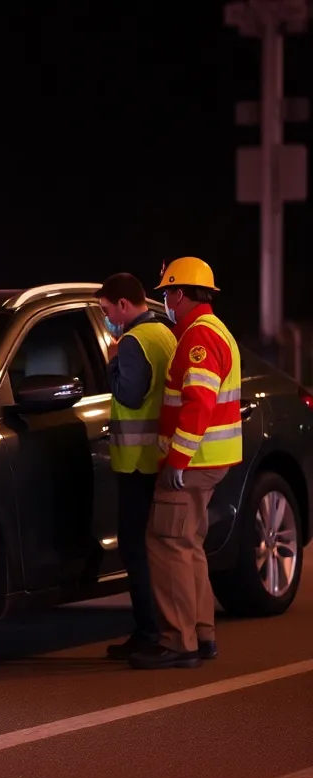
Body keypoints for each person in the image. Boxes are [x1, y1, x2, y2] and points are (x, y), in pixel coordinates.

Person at [130, 257, 243, 670]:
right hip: (208, 461)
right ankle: (202, 633)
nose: (164, 301)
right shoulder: (214, 331)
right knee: (188, 544)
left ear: (180, 293)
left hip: (191, 464)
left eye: (166, 293)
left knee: (167, 544)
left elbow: (198, 403)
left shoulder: (198, 338)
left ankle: (180, 641)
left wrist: (176, 459)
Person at [95, 272, 177, 660]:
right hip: (158, 454)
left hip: (136, 461)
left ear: (123, 305)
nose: (107, 318)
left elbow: (129, 395)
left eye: (107, 310)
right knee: (159, 547)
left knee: (134, 547)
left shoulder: (131, 341)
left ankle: (148, 631)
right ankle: (164, 629)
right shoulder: (164, 333)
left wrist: (111, 362)